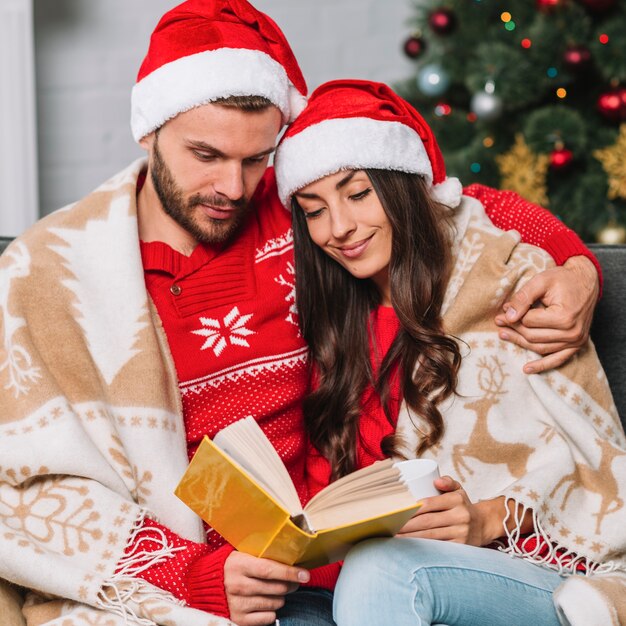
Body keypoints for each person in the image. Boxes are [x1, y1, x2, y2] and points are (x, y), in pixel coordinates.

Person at [0, 0, 603, 624]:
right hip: (183, 584)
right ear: (149, 129)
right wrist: (193, 577)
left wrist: (578, 267)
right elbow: (26, 484)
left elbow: (450, 204)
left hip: (331, 570)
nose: (232, 187)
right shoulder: (53, 270)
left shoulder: (302, 211)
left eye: (255, 159)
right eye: (205, 155)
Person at [273, 79, 626, 626]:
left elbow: (590, 463)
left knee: (383, 571)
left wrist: (484, 520)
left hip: (527, 569)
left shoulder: (509, 286)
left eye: (359, 193)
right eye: (314, 210)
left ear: (400, 186)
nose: (338, 228)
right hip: (369, 582)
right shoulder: (331, 327)